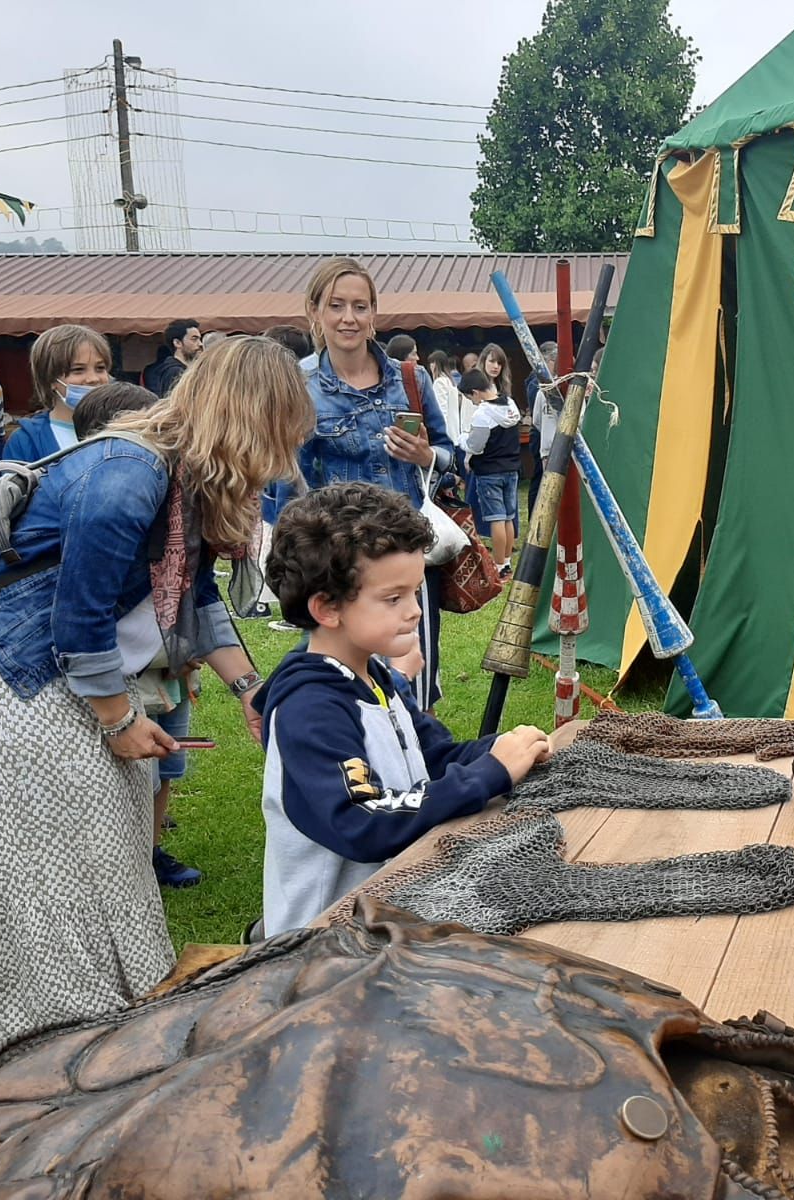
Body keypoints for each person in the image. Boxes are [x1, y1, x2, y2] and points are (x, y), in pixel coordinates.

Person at [0, 336, 312, 1087]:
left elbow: (195, 592)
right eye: (282, 432)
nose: (283, 456)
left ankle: (105, 1028)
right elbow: (78, 618)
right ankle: (22, 1049)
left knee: (109, 858)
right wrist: (121, 724)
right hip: (18, 685)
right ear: (250, 418)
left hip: (76, 684)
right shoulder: (127, 474)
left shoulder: (181, 472)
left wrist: (251, 688)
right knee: (27, 874)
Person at [255, 482, 550, 936]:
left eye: (415, 592)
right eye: (393, 599)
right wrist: (487, 774)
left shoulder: (376, 677)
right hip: (325, 942)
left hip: (388, 916)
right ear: (327, 608)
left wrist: (505, 751)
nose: (414, 612)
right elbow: (362, 821)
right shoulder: (310, 707)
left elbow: (435, 759)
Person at [297, 258, 454, 708]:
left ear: (374, 315)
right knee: (346, 677)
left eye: (360, 306)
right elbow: (290, 480)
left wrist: (427, 456)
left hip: (408, 557)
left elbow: (450, 457)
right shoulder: (300, 385)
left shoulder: (411, 378)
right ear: (315, 312)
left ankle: (418, 762)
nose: (349, 318)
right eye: (337, 305)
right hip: (341, 558)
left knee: (412, 668)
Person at [71, 382, 203, 889]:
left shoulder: (170, 505)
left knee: (165, 761)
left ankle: (149, 851)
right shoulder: (109, 499)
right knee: (125, 772)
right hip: (118, 674)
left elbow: (188, 589)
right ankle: (118, 864)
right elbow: (89, 609)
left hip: (165, 664)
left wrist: (188, 650)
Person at [4, 324, 113, 460]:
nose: (93, 379)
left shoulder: (124, 430)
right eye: (78, 370)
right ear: (50, 379)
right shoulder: (26, 441)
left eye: (100, 368)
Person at [462, 367, 521, 576]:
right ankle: (506, 562)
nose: (472, 402)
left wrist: (463, 440)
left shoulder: (483, 414)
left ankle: (497, 567)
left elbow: (475, 446)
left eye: (470, 398)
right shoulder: (511, 404)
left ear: (475, 392)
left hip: (489, 472)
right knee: (508, 517)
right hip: (511, 469)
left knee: (496, 518)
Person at [527, 340, 559, 526]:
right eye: (554, 359)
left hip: (545, 439)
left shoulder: (544, 383)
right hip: (544, 440)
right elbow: (536, 418)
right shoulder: (537, 384)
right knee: (541, 482)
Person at [144, 318, 202, 397]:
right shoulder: (174, 372)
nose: (200, 344)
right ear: (177, 343)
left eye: (200, 339)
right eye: (194, 339)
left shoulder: (184, 369)